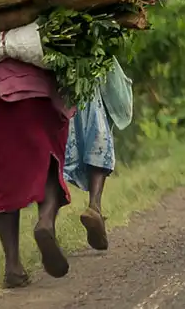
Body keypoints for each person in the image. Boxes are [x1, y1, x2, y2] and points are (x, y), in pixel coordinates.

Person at [0, 57, 75, 289]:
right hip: (39, 90)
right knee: (49, 161)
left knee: (4, 176)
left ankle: (13, 266)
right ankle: (46, 222)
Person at [64, 56, 133, 251]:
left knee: (58, 150)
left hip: (54, 84)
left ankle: (47, 223)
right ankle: (94, 205)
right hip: (85, 77)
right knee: (98, 138)